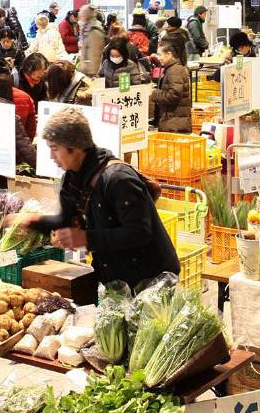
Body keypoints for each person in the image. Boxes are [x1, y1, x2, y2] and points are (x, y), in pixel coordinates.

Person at [17, 108, 178, 289]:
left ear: (76, 147)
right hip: (114, 278)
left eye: (55, 149)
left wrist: (86, 238)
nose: (51, 156)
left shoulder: (117, 178)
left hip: (150, 279)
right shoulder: (70, 179)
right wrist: (31, 221)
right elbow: (66, 221)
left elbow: (139, 232)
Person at [150, 42, 191, 133]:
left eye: (160, 55)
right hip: (173, 119)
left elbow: (174, 95)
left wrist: (154, 93)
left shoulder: (175, 70)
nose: (158, 58)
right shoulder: (171, 69)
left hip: (174, 123)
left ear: (169, 54)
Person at [77, 5, 107, 77]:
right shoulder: (87, 27)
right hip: (86, 69)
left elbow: (94, 54)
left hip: (91, 72)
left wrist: (91, 72)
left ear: (87, 15)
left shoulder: (94, 30)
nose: (80, 15)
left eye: (82, 13)